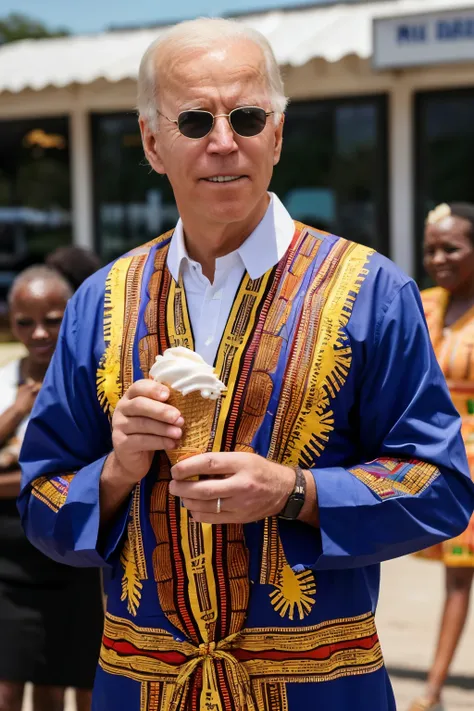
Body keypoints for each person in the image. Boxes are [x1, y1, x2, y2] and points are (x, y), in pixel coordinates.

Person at [18, 19, 474, 711]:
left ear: (279, 134)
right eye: (195, 118)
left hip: (321, 690)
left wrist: (296, 491)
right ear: (151, 142)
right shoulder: (101, 304)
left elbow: (442, 486)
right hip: (142, 690)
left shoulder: (370, 290)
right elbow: (41, 498)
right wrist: (117, 472)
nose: (224, 140)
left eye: (250, 116)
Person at [0, 266, 103, 711]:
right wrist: (16, 410)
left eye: (54, 319)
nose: (39, 332)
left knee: (80, 684)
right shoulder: (7, 380)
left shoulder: (91, 377)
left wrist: (11, 462)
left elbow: (97, 469)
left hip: (75, 553)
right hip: (10, 567)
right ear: (11, 321)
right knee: (11, 686)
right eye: (25, 322)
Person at [408, 203, 474, 711]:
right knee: (457, 570)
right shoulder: (422, 303)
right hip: (439, 451)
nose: (439, 258)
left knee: (459, 574)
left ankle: (432, 688)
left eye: (452, 247)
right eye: (431, 249)